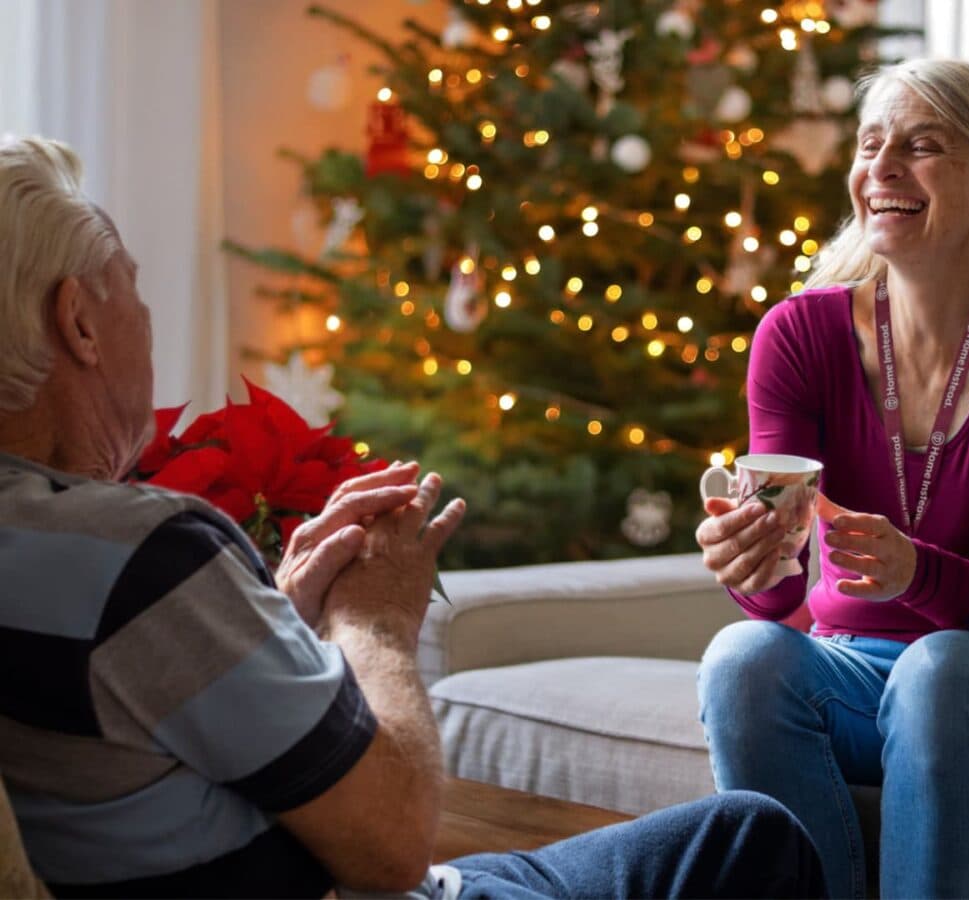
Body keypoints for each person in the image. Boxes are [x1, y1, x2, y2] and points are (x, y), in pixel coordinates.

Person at [0, 136, 826, 899]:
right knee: (749, 834)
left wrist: (274, 621)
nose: (146, 321)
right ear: (78, 321)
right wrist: (375, 621)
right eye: (134, 292)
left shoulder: (64, 557)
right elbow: (391, 844)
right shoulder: (140, 557)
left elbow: (144, 726)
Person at [695, 58, 969, 900]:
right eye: (871, 145)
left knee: (942, 669)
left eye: (923, 145)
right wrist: (751, 559)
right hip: (855, 672)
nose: (883, 169)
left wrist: (917, 572)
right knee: (743, 658)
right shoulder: (800, 335)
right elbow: (776, 593)